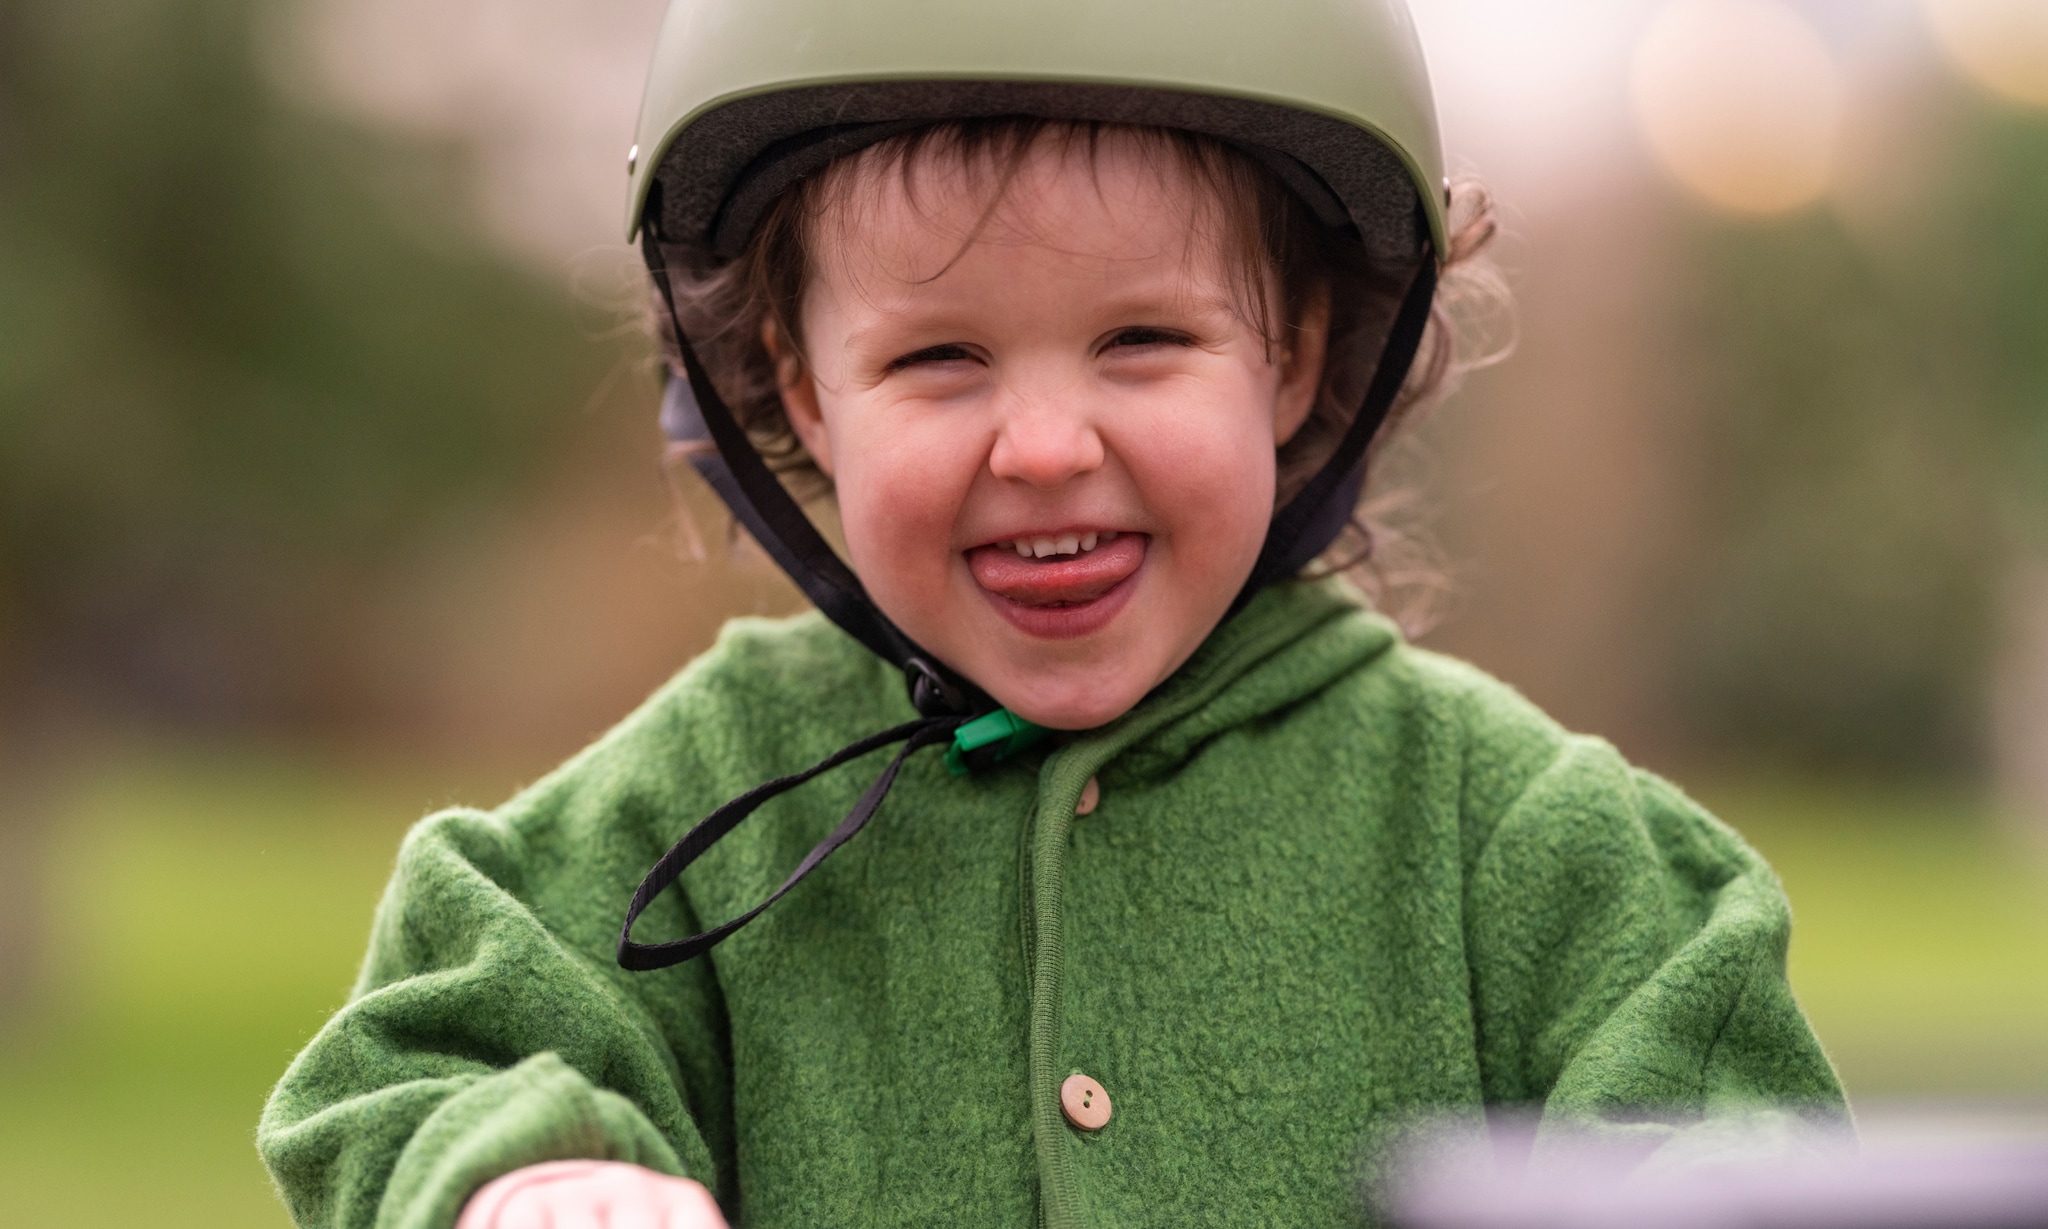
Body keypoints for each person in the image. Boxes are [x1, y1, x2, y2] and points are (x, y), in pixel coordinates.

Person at [257, 1, 1848, 1226]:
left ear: (1292, 358)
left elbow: (1726, 1123)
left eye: (1143, 339)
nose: (1043, 445)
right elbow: (415, 1055)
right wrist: (527, 1173)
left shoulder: (1513, 841)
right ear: (806, 396)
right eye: (939, 359)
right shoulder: (701, 797)